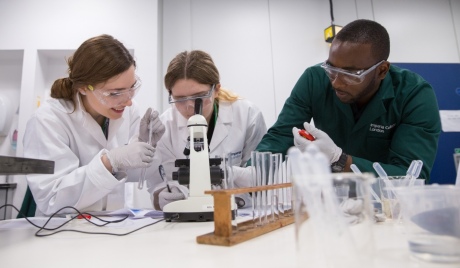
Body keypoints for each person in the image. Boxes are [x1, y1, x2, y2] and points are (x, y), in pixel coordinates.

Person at [255, 19, 441, 181]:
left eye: (351, 74)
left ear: (382, 70)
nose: (336, 82)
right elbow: (281, 134)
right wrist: (254, 169)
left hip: (386, 203)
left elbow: (411, 176)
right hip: (331, 196)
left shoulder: (414, 94)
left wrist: (339, 160)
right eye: (331, 69)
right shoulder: (315, 79)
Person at [22, 34, 165, 216]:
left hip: (113, 225)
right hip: (63, 232)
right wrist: (109, 162)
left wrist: (145, 145)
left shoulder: (128, 110)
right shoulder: (48, 120)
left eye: (132, 88)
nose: (128, 101)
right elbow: (52, 199)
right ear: (83, 87)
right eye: (115, 93)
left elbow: (134, 176)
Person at [149, 50, 267, 210]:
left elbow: (263, 173)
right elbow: (159, 180)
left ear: (216, 89)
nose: (189, 106)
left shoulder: (246, 115)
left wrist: (233, 174)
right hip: (188, 215)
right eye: (179, 99)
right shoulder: (165, 126)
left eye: (198, 97)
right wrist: (162, 195)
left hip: (239, 212)